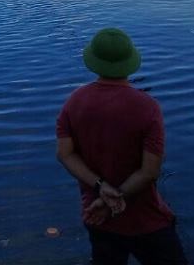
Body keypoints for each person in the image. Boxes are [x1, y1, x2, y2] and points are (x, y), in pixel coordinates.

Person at [55, 28, 187, 265]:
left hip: (96, 216)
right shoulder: (147, 107)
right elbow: (149, 172)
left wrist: (101, 190)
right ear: (130, 62)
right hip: (145, 219)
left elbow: (64, 154)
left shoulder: (74, 101)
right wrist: (115, 199)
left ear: (93, 62)